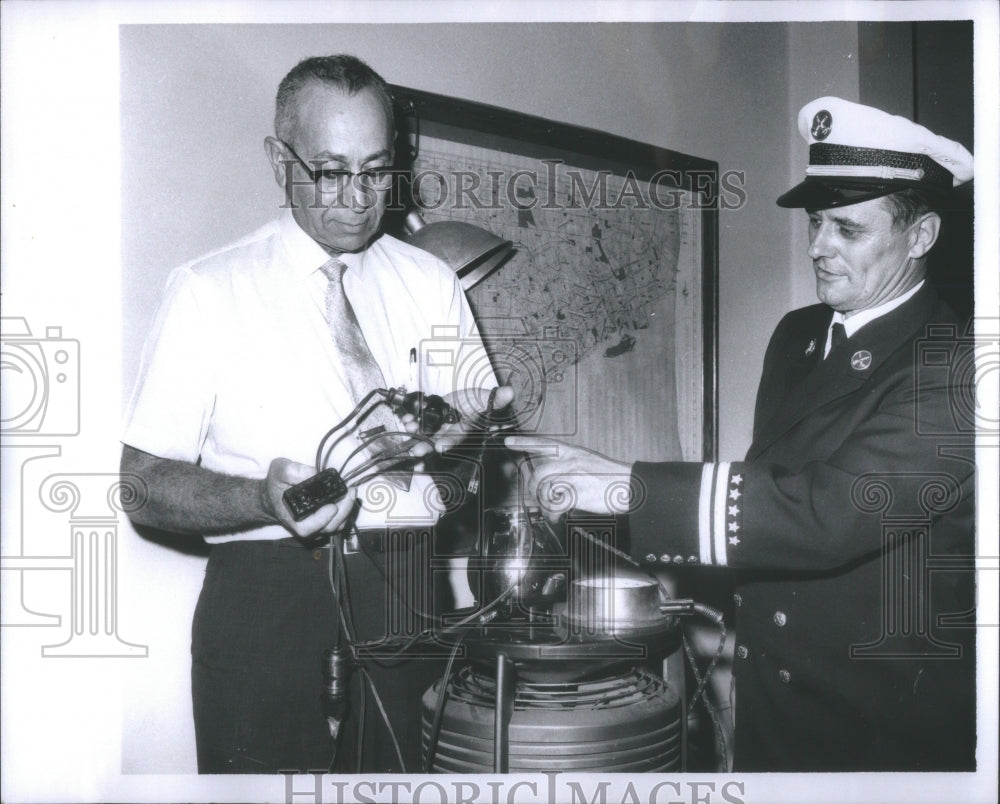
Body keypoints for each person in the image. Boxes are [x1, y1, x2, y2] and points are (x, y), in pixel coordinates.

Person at [506, 97, 977, 772]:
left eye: (847, 229)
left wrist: (628, 489)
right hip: (774, 712)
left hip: (878, 733)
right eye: (817, 224)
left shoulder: (958, 364)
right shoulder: (799, 338)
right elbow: (768, 486)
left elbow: (830, 512)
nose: (818, 247)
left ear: (922, 235)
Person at [121, 55, 499, 774]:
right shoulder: (208, 290)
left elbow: (471, 455)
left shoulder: (431, 281)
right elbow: (139, 482)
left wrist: (461, 447)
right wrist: (258, 497)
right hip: (268, 594)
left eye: (377, 170)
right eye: (330, 171)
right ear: (278, 159)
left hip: (408, 588)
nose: (358, 198)